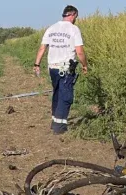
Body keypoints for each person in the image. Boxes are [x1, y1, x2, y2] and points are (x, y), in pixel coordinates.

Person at [34, 6, 89, 135]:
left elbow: (42, 48)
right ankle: (59, 128)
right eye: (76, 17)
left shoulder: (51, 28)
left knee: (57, 93)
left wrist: (36, 64)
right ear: (73, 15)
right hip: (65, 69)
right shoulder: (74, 29)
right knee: (66, 96)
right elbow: (79, 52)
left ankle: (54, 122)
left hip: (52, 68)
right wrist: (85, 65)